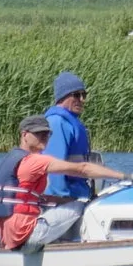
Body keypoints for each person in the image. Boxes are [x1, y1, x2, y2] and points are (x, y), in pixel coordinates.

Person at [0, 114, 117, 250]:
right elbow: (82, 169)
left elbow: (31, 199)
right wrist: (123, 176)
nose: (44, 137)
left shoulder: (10, 159)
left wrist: (64, 202)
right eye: (38, 133)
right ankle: (86, 246)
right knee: (81, 207)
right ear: (24, 135)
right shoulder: (34, 161)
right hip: (27, 238)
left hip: (7, 238)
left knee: (67, 205)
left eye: (47, 134)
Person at [42, 71, 100, 203]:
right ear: (62, 97)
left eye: (84, 95)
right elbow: (53, 166)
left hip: (79, 194)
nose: (82, 100)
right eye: (76, 95)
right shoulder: (56, 123)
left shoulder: (70, 122)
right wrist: (60, 198)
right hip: (63, 199)